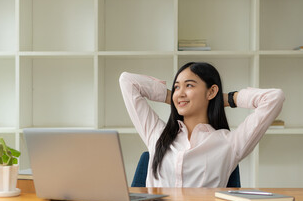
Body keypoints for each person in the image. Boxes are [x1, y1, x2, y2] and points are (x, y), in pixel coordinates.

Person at [119, 62, 285, 187]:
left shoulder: (229, 144)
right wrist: (174, 98)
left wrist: (224, 99)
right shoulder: (156, 134)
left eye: (189, 85)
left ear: (211, 91)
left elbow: (274, 98)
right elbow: (127, 81)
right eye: (177, 87)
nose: (180, 92)